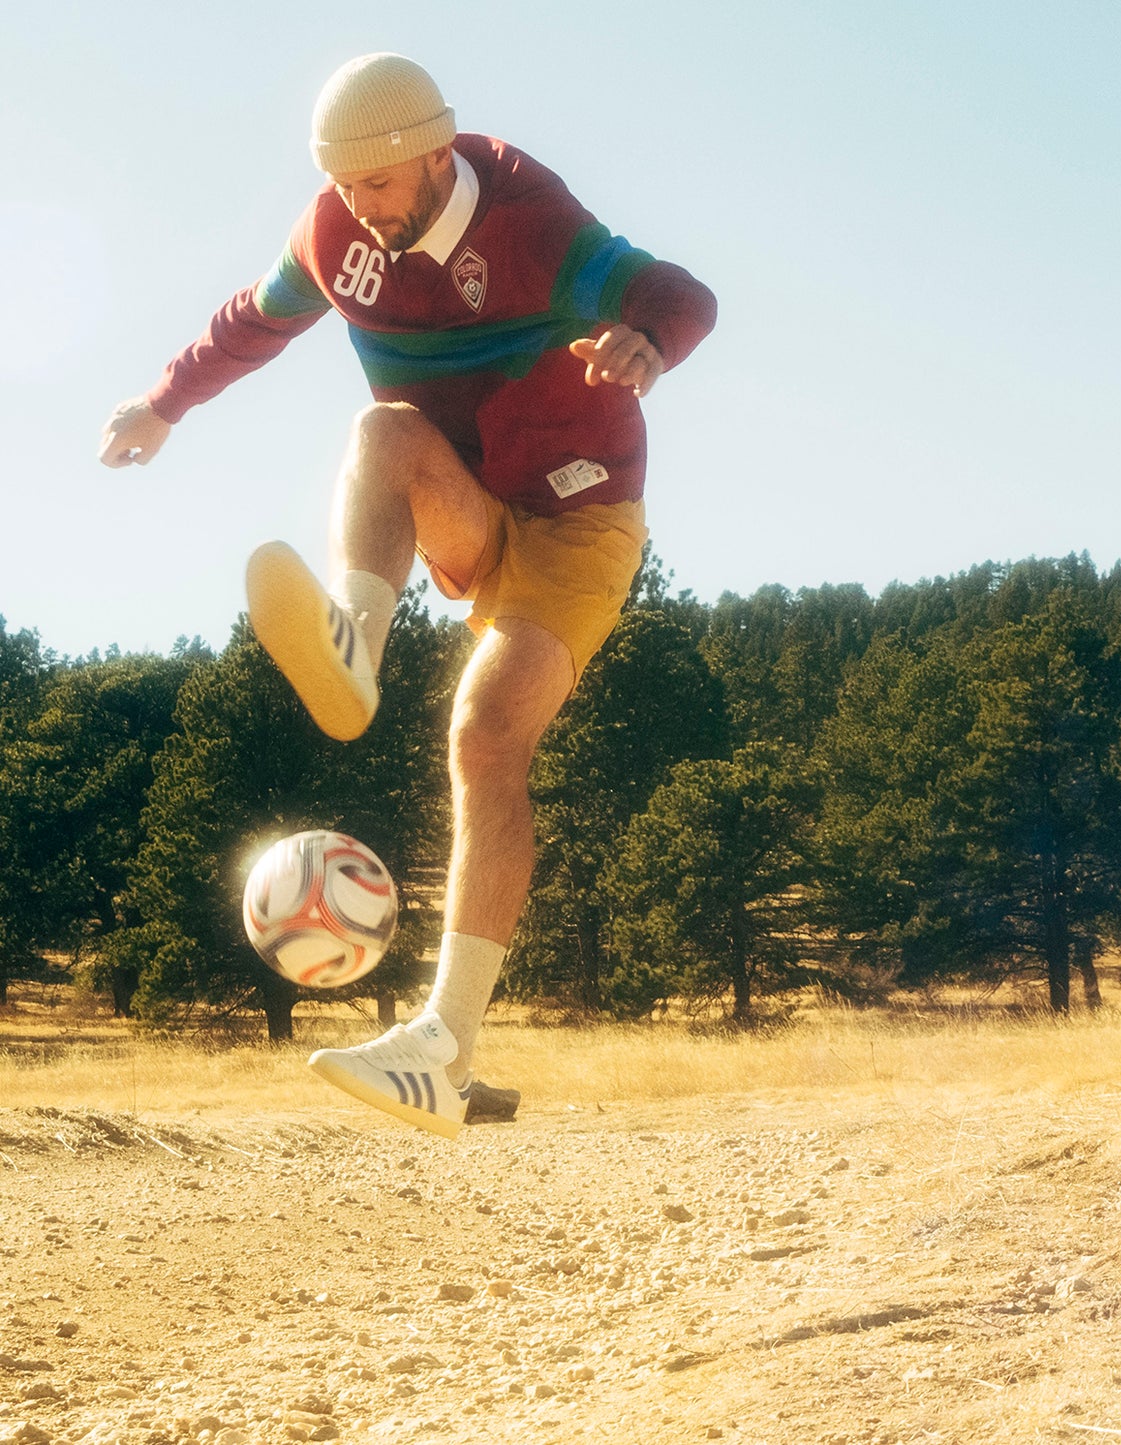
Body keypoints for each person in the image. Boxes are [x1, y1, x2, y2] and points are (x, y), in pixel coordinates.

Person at [98, 53, 716, 1140]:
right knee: (381, 431)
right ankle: (353, 635)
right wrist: (164, 402)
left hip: (580, 516)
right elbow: (254, 315)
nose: (358, 207)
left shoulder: (532, 217)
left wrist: (646, 341)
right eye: (341, 186)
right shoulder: (334, 236)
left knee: (485, 737)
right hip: (465, 499)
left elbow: (680, 292)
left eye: (377, 186)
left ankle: (442, 1046)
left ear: (434, 156)